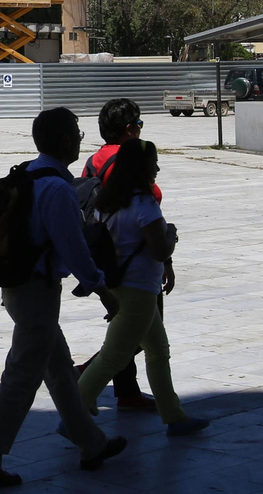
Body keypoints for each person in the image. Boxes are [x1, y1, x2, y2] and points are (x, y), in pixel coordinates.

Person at [0, 107, 128, 488]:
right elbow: (74, 250)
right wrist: (103, 290)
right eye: (77, 133)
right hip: (37, 292)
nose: (81, 139)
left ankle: (91, 443)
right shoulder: (56, 189)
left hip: (19, 289)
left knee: (59, 370)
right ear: (66, 141)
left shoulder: (30, 174)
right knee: (22, 376)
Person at [75, 139, 209, 436]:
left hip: (120, 283)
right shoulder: (144, 202)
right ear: (144, 167)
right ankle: (75, 413)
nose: (157, 168)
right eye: (154, 163)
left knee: (158, 351)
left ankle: (174, 416)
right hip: (140, 289)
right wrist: (171, 235)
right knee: (113, 357)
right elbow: (160, 250)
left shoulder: (108, 201)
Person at [76, 98, 169, 411]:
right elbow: (151, 215)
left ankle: (128, 391)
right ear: (130, 130)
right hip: (136, 260)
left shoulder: (93, 160)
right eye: (139, 125)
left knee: (132, 329)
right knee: (135, 332)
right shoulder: (132, 160)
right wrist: (167, 257)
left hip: (104, 251)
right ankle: (89, 375)